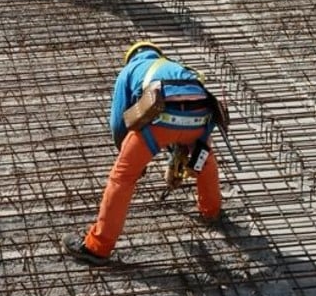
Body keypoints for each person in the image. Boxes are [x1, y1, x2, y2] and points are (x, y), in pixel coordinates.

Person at [64, 41, 226, 266]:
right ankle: (212, 211)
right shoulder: (175, 66)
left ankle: (97, 247)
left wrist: (131, 158)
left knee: (122, 177)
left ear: (132, 57)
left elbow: (119, 123)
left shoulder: (129, 71)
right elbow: (186, 104)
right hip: (201, 119)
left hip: (159, 122)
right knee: (205, 159)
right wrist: (178, 152)